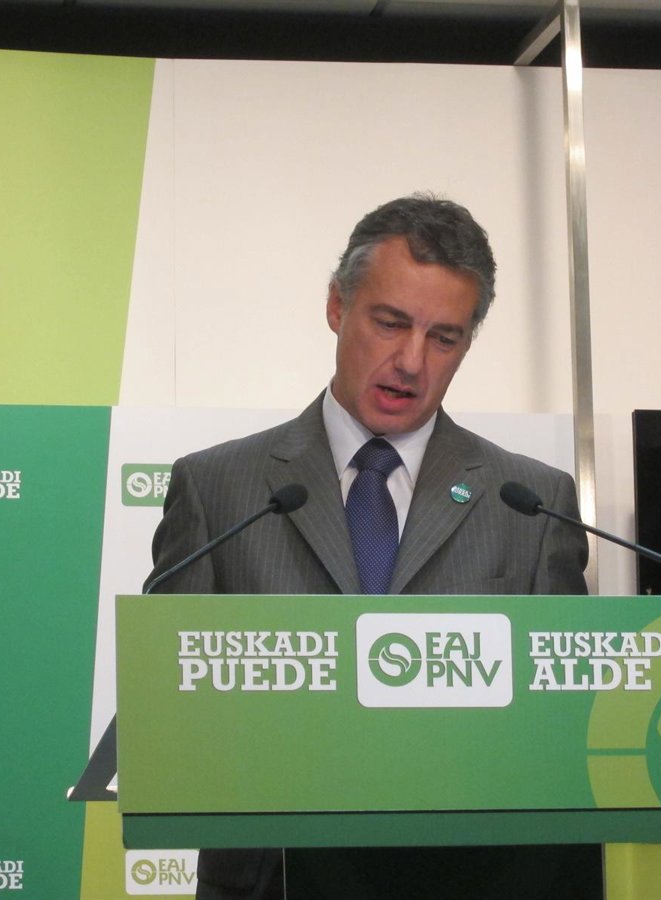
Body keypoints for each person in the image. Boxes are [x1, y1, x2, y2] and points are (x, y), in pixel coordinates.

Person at [146, 193, 596, 900]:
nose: (411, 362)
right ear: (337, 306)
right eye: (390, 323)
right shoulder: (218, 490)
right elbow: (172, 707)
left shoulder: (532, 504)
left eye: (443, 338)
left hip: (477, 877)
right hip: (274, 878)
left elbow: (563, 731)